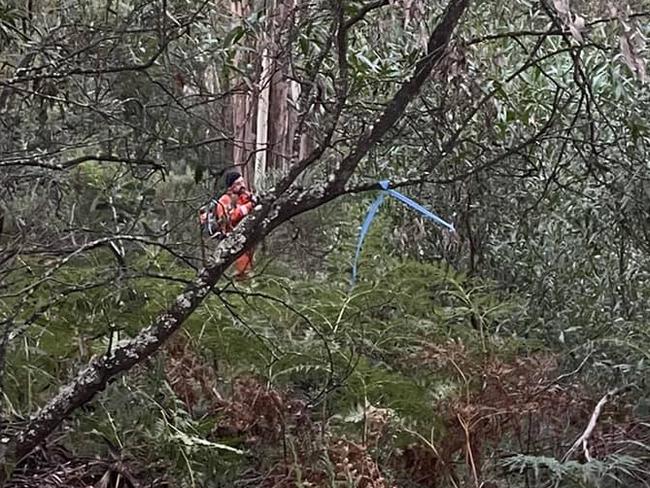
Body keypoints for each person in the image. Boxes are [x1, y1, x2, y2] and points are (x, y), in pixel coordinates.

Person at [200, 170, 257, 280]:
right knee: (242, 272)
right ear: (231, 187)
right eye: (238, 184)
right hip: (233, 240)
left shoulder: (245, 197)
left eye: (242, 182)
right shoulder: (225, 200)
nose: (243, 186)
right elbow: (229, 219)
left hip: (247, 238)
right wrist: (249, 206)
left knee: (250, 267)